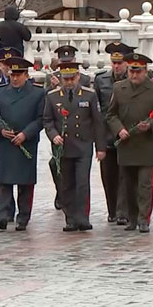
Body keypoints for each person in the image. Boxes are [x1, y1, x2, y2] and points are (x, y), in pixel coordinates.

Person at [105, 53, 153, 233]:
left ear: (145, 71)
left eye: (138, 72)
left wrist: (150, 125)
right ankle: (131, 218)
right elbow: (111, 114)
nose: (134, 75)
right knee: (128, 184)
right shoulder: (119, 88)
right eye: (131, 71)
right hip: (126, 144)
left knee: (145, 185)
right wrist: (119, 129)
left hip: (145, 144)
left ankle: (143, 219)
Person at [44, 62, 106, 232]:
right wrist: (53, 135)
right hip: (64, 147)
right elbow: (48, 120)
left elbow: (97, 122)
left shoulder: (89, 95)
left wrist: (101, 148)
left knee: (82, 183)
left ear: (78, 76)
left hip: (83, 146)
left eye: (72, 78)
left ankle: (83, 217)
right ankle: (70, 218)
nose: (69, 82)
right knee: (66, 184)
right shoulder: (53, 96)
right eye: (66, 79)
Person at [0, 57, 44, 231]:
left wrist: (25, 134)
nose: (15, 78)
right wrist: (0, 130)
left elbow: (41, 119)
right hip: (6, 142)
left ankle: (23, 216)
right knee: (4, 181)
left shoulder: (37, 93)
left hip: (25, 143)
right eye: (13, 74)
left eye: (19, 75)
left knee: (25, 183)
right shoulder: (1, 92)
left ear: (26, 75)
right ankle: (3, 215)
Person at [46, 45, 92, 211]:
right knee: (57, 167)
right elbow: (48, 106)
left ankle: (77, 209)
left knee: (80, 180)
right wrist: (54, 87)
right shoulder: (51, 78)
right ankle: (62, 196)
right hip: (60, 136)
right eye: (62, 61)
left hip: (79, 138)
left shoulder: (84, 80)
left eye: (69, 61)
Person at [94, 42, 134, 224]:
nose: (117, 66)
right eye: (114, 62)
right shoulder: (100, 79)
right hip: (107, 135)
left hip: (128, 134)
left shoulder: (135, 77)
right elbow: (97, 111)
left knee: (125, 175)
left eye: (120, 62)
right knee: (109, 177)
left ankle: (123, 212)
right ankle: (112, 210)